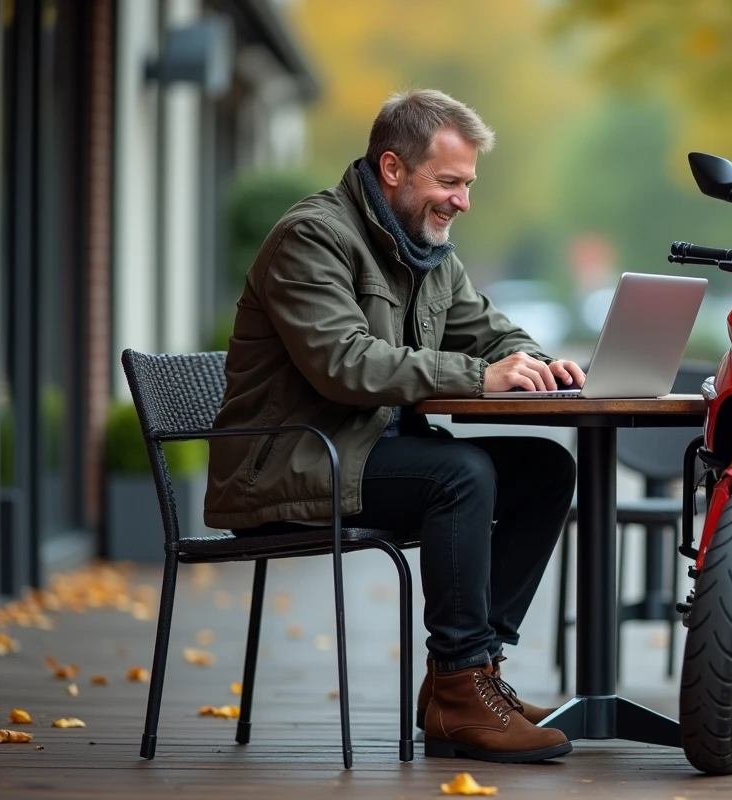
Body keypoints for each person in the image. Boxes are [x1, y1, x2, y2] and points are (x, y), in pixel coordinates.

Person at [205, 89, 585, 764]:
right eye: (449, 182)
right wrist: (479, 378)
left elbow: (489, 331)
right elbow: (341, 364)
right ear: (392, 169)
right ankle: (462, 691)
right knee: (461, 476)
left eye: (467, 184)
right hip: (292, 465)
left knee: (546, 468)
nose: (462, 201)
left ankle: (468, 676)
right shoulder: (312, 237)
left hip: (367, 453)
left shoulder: (428, 252)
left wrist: (542, 362)